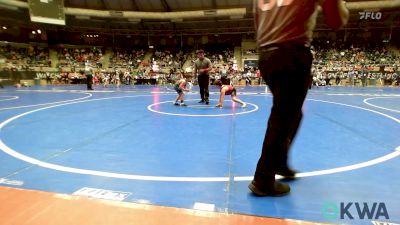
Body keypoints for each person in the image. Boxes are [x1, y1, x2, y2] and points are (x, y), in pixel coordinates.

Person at [249, 0, 349, 197]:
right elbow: (336, 20)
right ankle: (263, 179)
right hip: (291, 53)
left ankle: (280, 163)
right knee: (283, 117)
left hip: (267, 55)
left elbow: (257, 21)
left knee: (293, 114)